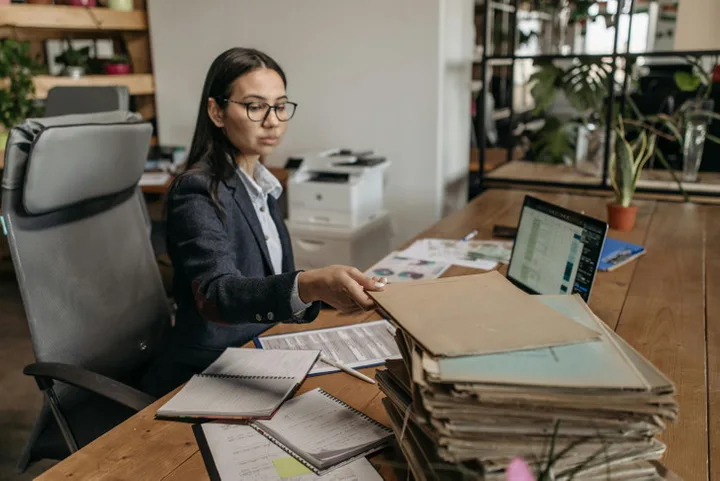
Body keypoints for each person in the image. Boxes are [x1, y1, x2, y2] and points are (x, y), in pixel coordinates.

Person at [142, 47, 386, 396]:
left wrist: (329, 293)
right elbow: (217, 294)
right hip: (210, 366)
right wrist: (309, 284)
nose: (273, 120)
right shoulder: (196, 190)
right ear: (217, 111)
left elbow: (265, 282)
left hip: (263, 350)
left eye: (281, 105)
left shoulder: (259, 181)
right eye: (255, 106)